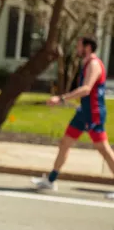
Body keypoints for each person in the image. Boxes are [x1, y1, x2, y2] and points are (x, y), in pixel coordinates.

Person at [32, 36, 114, 196]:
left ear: (88, 47)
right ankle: (50, 180)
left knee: (103, 149)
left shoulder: (94, 64)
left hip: (94, 113)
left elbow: (86, 89)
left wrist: (61, 98)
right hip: (83, 112)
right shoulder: (86, 63)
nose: (77, 49)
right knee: (65, 143)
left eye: (79, 46)